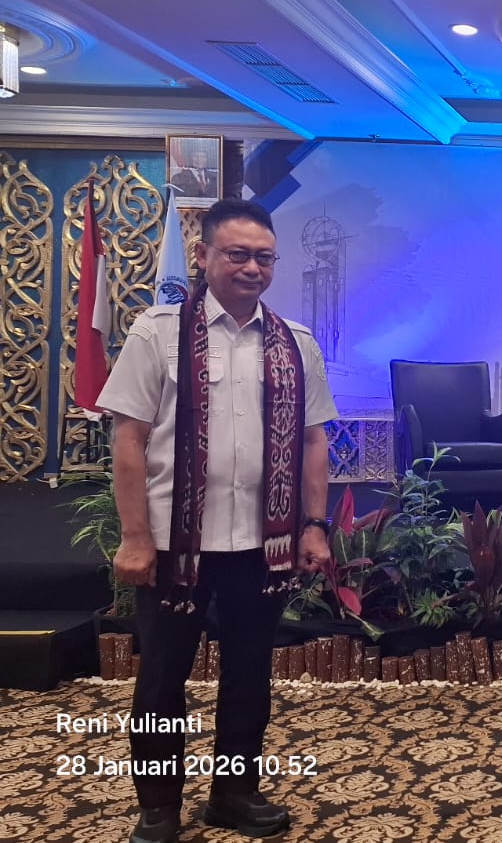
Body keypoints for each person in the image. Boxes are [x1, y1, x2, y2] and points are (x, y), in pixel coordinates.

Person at [99, 198, 338, 843]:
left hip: (263, 543)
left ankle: (234, 794)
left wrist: (314, 525)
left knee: (249, 675)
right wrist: (135, 536)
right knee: (161, 680)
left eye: (265, 257)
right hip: (175, 545)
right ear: (203, 256)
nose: (252, 268)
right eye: (237, 254)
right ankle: (158, 806)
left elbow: (313, 440)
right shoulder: (158, 333)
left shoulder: (295, 343)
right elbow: (129, 439)